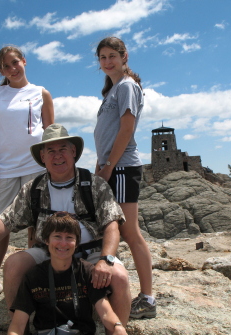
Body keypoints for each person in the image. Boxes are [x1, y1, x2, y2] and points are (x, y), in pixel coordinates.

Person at [0, 124, 131, 329]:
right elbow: (6, 220)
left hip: (91, 253)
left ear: (73, 152)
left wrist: (105, 259)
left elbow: (112, 224)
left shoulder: (94, 184)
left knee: (118, 276)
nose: (57, 156)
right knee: (13, 265)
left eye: (63, 149)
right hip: (47, 252)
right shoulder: (34, 188)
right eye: (50, 151)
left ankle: (116, 333)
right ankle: (21, 330)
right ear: (42, 157)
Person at [0, 45, 55, 312]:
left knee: (37, 226)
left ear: (24, 61)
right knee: (0, 227)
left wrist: (53, 165)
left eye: (15, 62)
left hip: (36, 167)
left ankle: (35, 281)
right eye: (6, 66)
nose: (12, 69)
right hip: (6, 170)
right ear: (1, 71)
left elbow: (51, 134)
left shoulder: (41, 93)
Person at [94, 36, 155, 319]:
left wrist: (108, 166)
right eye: (102, 58)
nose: (107, 62)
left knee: (129, 232)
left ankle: (147, 299)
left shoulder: (127, 86)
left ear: (124, 56)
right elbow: (108, 133)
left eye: (111, 56)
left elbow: (126, 130)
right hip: (113, 166)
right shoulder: (113, 89)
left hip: (122, 168)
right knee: (117, 228)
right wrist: (100, 163)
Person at [7, 212, 128, 335]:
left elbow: (105, 312)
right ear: (46, 240)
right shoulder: (34, 276)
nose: (63, 243)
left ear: (76, 243)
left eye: (69, 237)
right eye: (57, 236)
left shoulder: (86, 271)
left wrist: (117, 327)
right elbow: (18, 325)